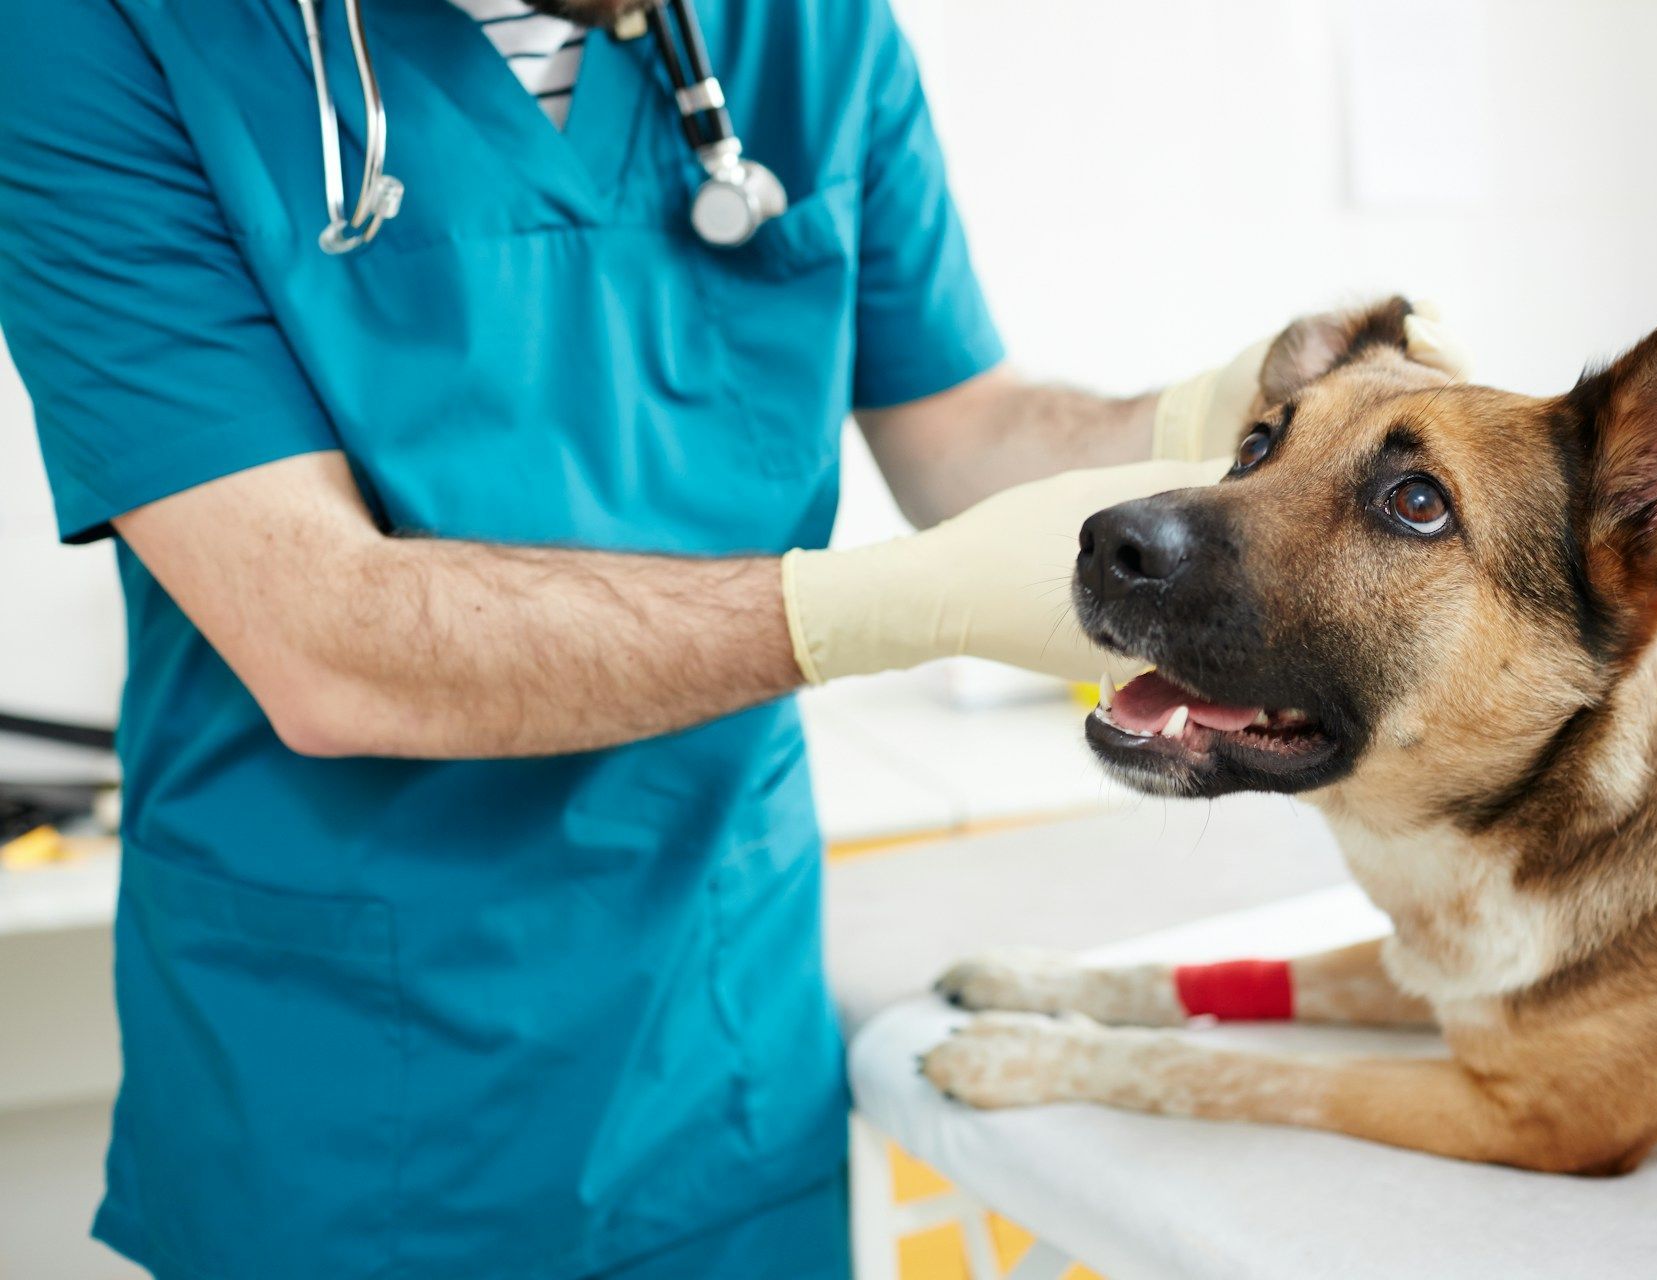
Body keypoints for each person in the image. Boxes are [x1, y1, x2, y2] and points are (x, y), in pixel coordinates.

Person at [0, 1, 1460, 1276]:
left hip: (723, 1062)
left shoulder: (809, 30)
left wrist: (1223, 423)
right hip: (351, 1109)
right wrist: (856, 610)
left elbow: (966, 438)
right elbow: (327, 638)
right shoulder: (103, 32)